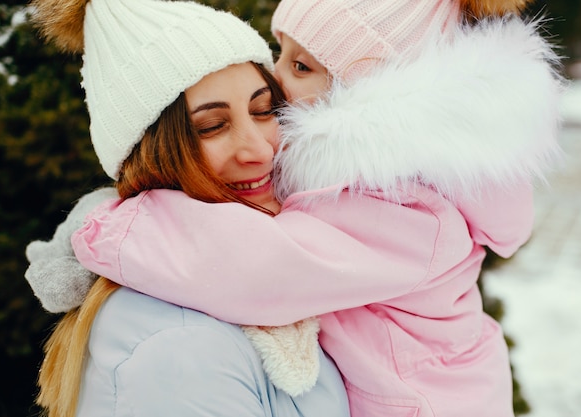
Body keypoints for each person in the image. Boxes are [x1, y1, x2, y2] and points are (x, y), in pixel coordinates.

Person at [29, 0, 565, 416]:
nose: (277, 79)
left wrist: (116, 228)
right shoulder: (339, 174)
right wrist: (102, 215)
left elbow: (259, 266)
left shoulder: (414, 212)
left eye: (301, 66)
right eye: (279, 51)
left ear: (373, 96)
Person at [25, 0, 352, 416]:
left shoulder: (266, 275)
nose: (259, 150)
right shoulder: (181, 346)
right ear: (151, 155)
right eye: (212, 127)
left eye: (263, 110)